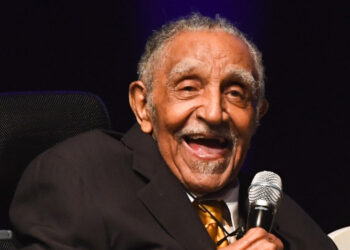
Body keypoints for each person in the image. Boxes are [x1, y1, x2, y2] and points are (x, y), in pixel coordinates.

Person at [10, 14, 336, 249]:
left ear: (256, 116)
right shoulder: (77, 178)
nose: (214, 112)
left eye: (236, 93)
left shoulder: (282, 215)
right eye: (189, 87)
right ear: (143, 106)